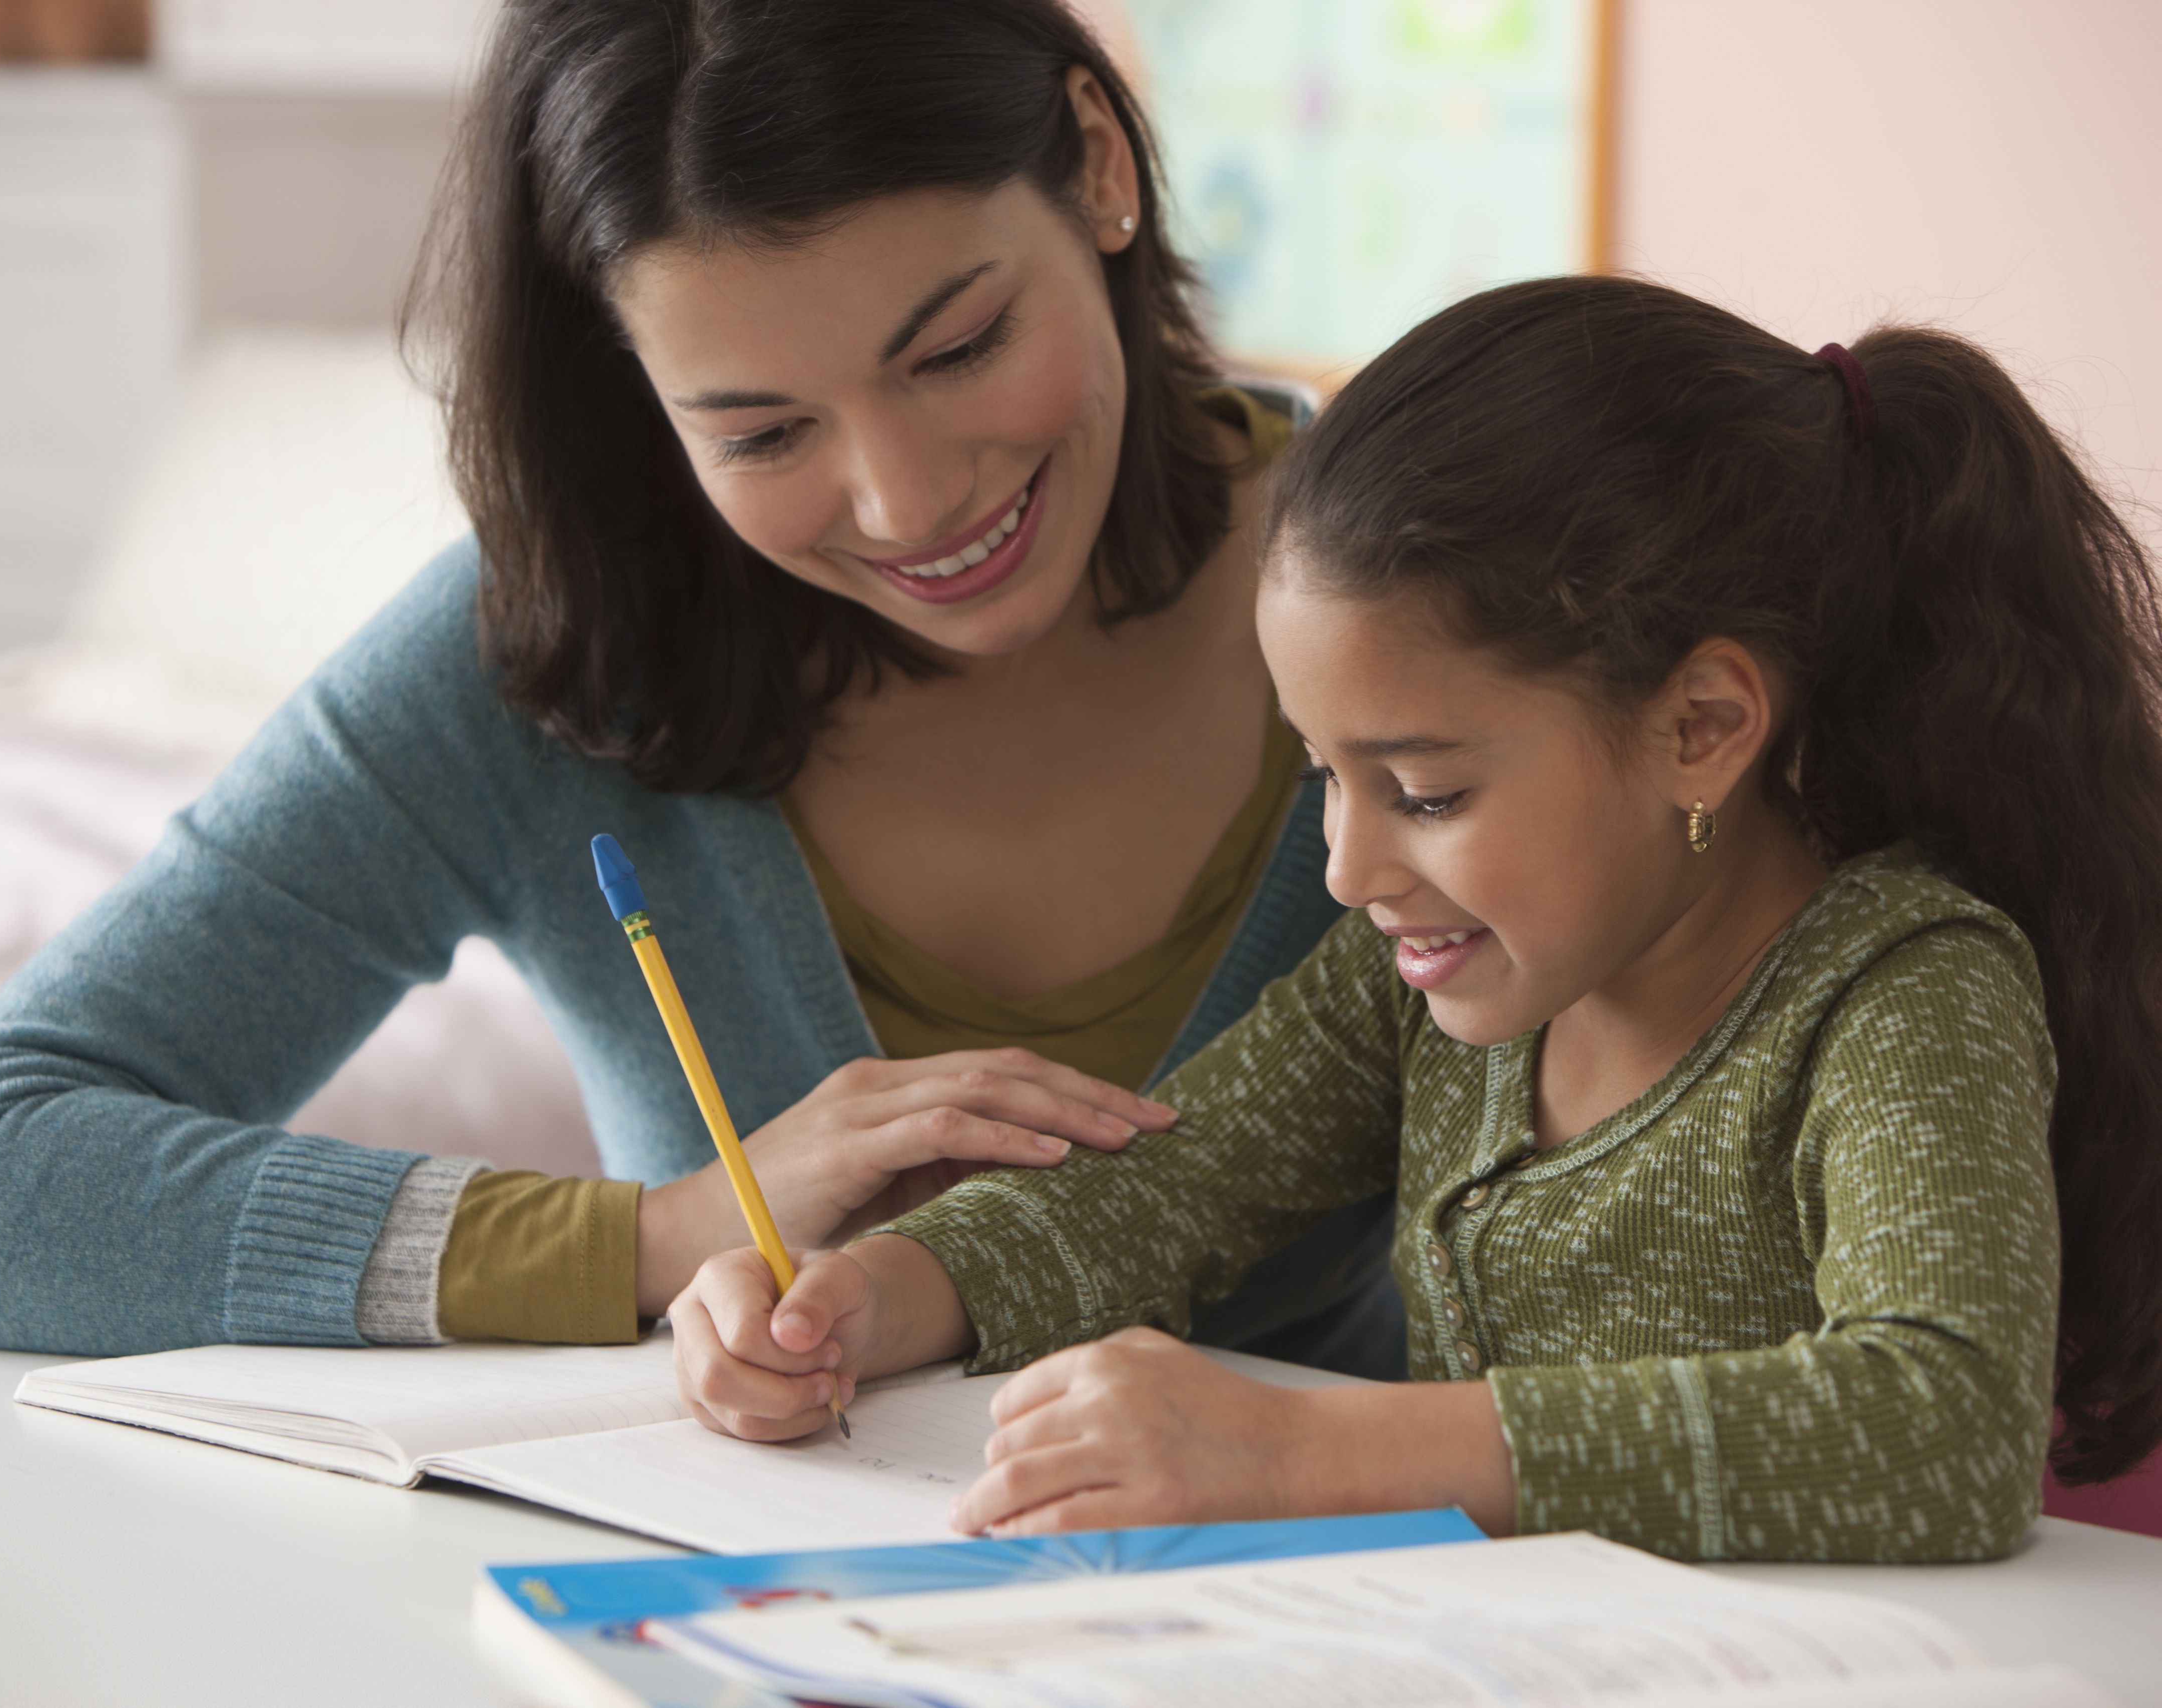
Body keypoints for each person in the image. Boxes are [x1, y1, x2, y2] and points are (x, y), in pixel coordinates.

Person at [0, 0, 1403, 1365]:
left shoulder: (1439, 587)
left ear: (1100, 167)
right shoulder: (556, 647)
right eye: (762, 434)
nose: (908, 501)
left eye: (958, 348)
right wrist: (663, 1238)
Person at [670, 274, 2162, 1561]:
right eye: (1323, 777)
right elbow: (1157, 1188)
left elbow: (1941, 1429)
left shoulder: (1902, 989)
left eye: (1426, 793)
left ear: (1702, 726)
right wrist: (866, 1297)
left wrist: (1316, 1455)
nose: (1346, 866)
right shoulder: (1423, 988)